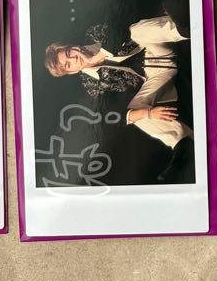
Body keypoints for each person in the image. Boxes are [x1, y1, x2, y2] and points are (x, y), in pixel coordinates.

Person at [44, 14, 193, 181]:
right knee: (136, 113)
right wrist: (149, 113)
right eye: (68, 64)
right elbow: (114, 115)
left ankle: (185, 28)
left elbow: (120, 26)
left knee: (136, 30)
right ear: (71, 72)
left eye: (68, 53)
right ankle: (183, 144)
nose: (73, 58)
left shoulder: (93, 34)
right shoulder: (91, 85)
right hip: (157, 75)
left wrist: (95, 57)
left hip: (155, 47)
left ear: (71, 46)